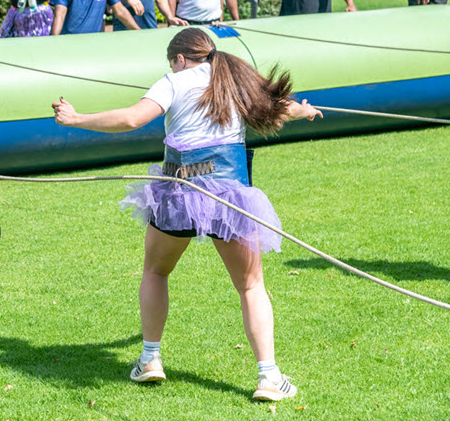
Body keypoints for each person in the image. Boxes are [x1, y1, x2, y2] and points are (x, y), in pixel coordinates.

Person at [52, 27, 320, 401]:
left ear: (179, 59)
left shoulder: (173, 82)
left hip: (179, 194)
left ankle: (150, 358)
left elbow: (132, 119)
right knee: (250, 286)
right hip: (229, 197)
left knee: (156, 271)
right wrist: (304, 110)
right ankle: (269, 377)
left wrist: (75, 118)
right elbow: (279, 107)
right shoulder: (235, 78)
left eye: (172, 62)